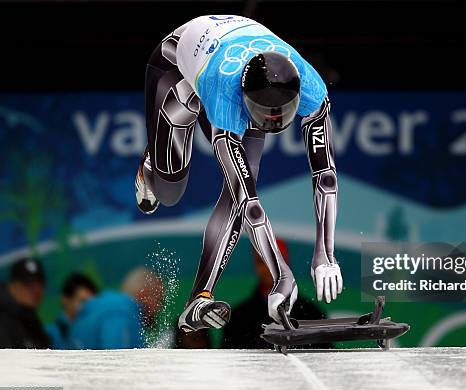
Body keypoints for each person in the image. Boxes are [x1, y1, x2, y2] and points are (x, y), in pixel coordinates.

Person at [134, 15, 343, 332]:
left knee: (241, 187)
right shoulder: (226, 95)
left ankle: (199, 299)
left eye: (281, 114)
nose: (271, 123)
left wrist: (326, 254)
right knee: (171, 192)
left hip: (224, 62)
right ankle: (150, 165)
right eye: (263, 115)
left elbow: (325, 175)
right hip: (176, 68)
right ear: (247, 101)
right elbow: (250, 204)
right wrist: (281, 275)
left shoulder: (312, 87)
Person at [223, 238, 331, 349]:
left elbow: (323, 361)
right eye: (262, 261)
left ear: (286, 262)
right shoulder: (238, 319)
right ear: (255, 265)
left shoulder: (312, 315)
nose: (270, 268)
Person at [68, 267, 164, 349]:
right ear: (144, 294)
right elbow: (116, 361)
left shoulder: (102, 307)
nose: (159, 308)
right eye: (159, 300)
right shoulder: (119, 313)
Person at [0, 257, 50, 349]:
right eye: (28, 284)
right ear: (12, 285)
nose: (36, 290)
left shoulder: (30, 319)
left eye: (40, 283)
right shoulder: (4, 319)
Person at [47, 273, 98, 349]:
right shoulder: (50, 335)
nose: (88, 308)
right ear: (65, 299)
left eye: (92, 303)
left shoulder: (96, 334)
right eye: (83, 301)